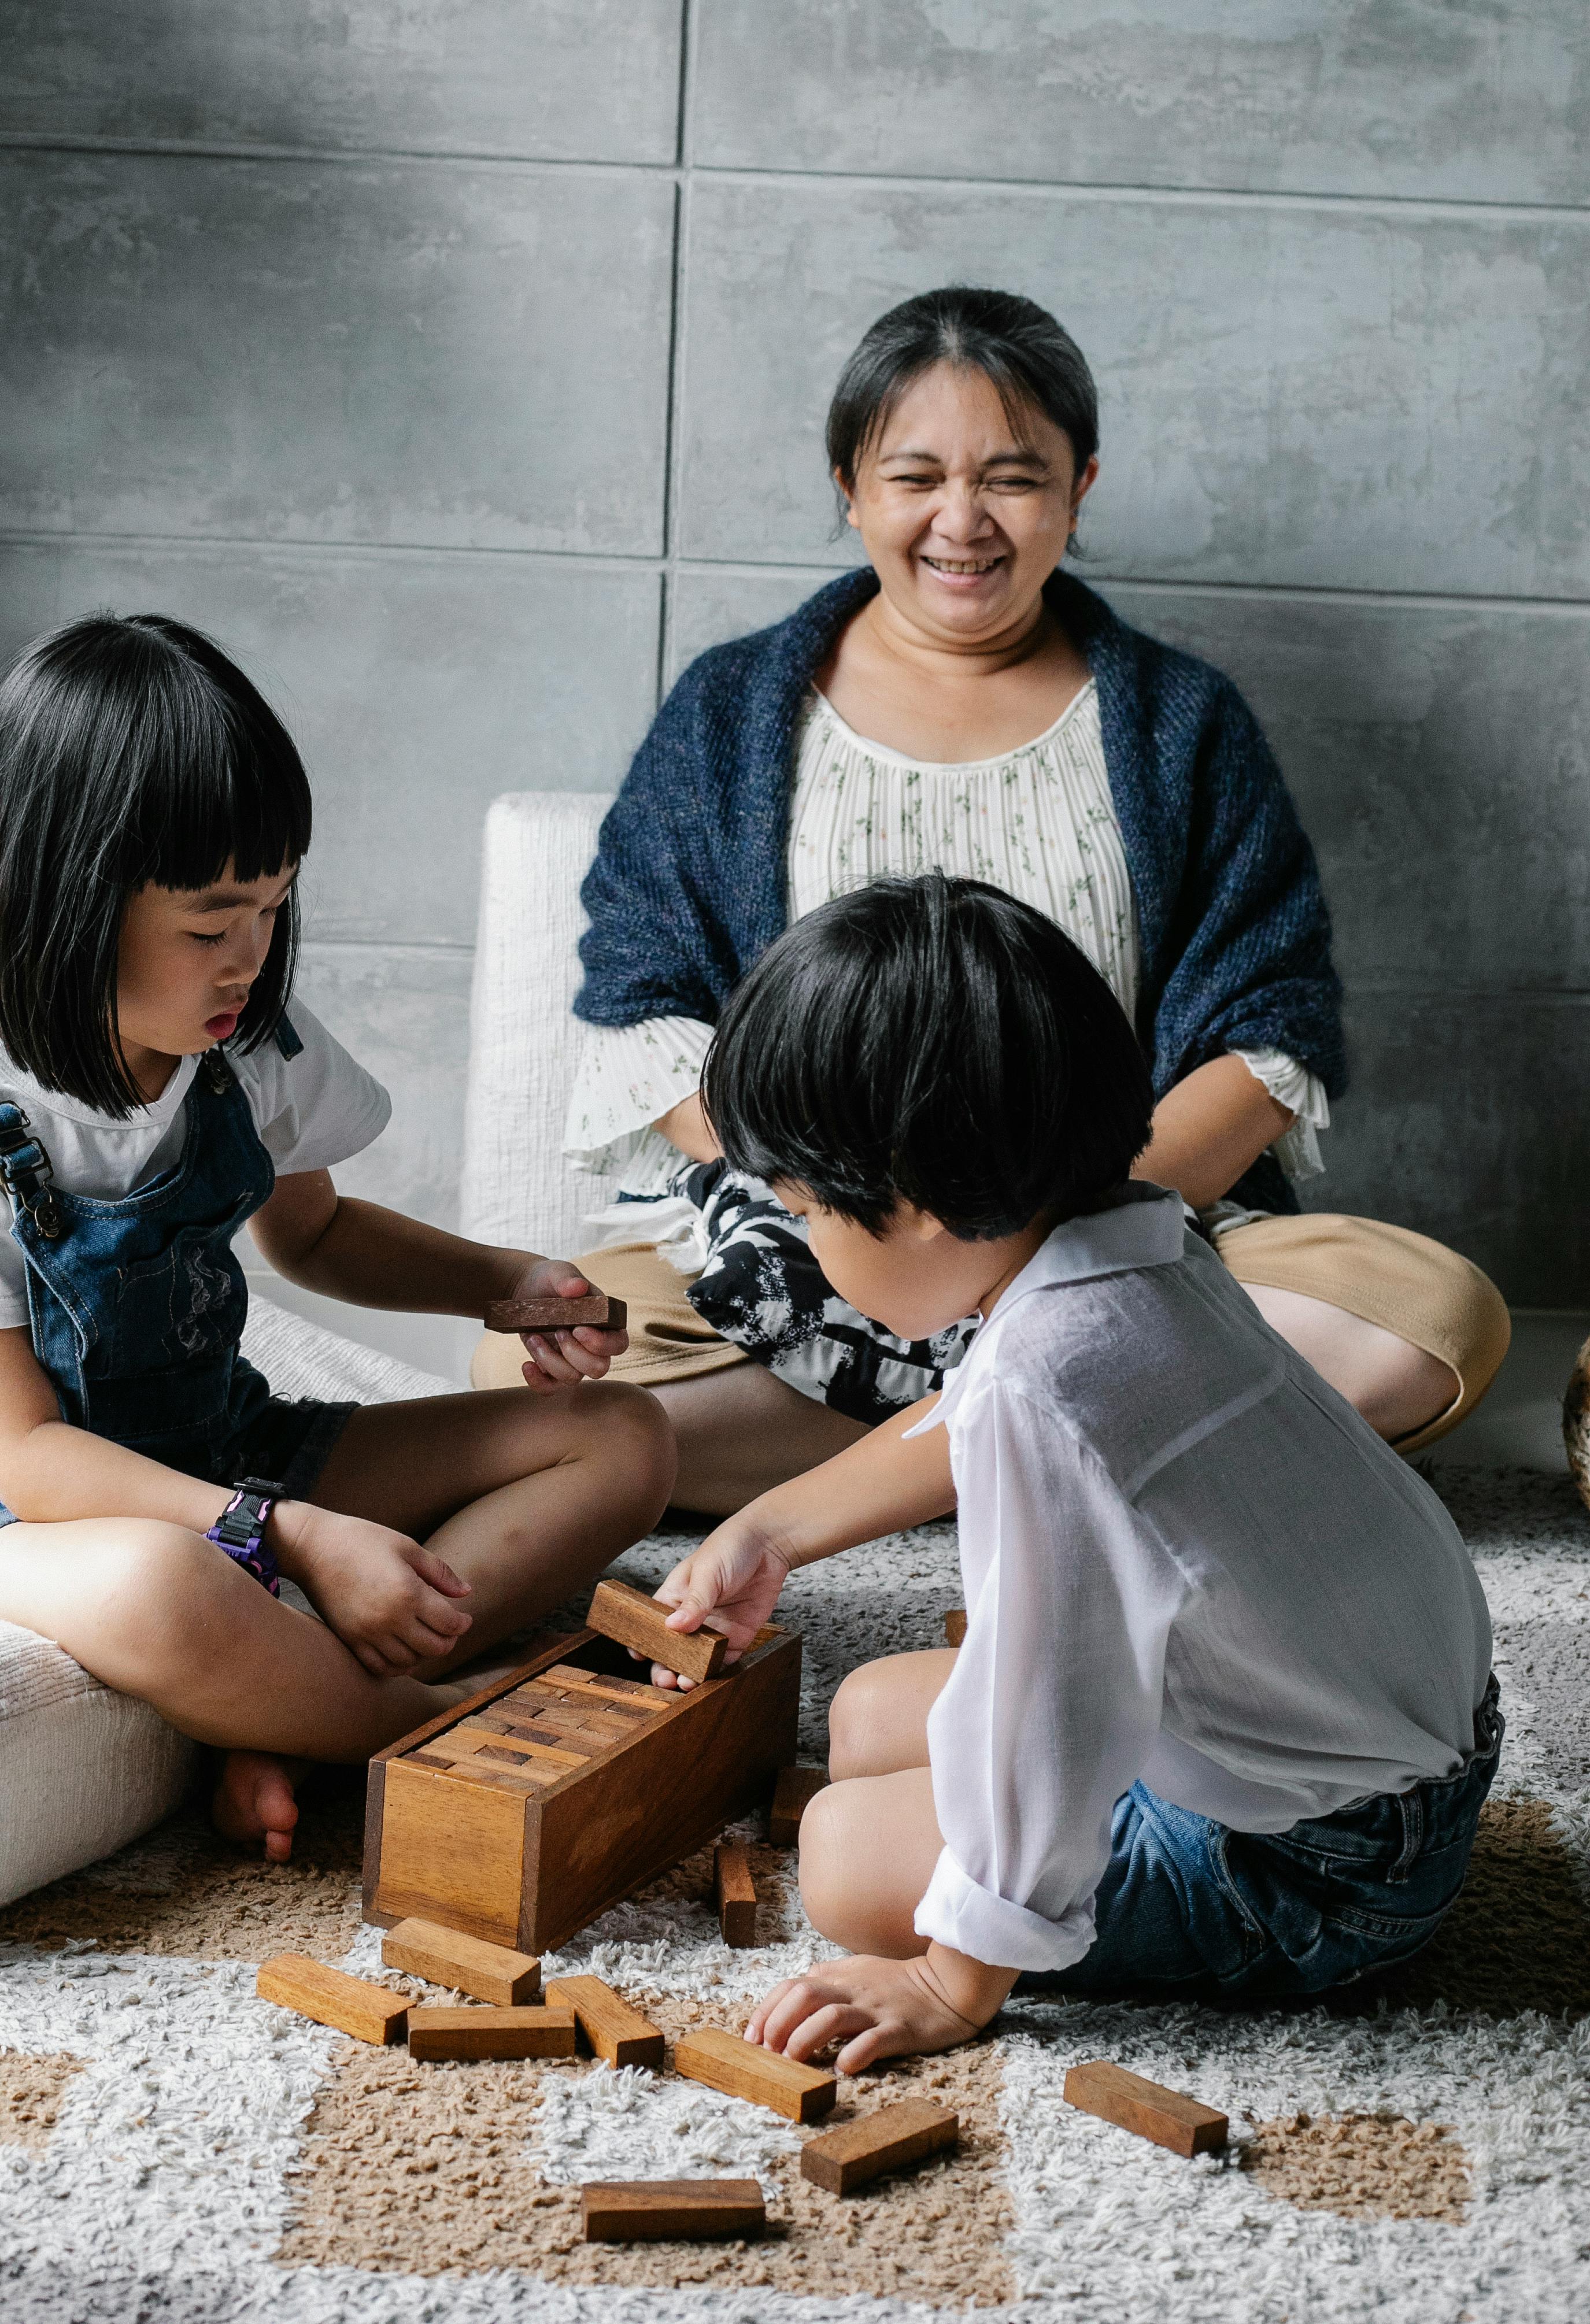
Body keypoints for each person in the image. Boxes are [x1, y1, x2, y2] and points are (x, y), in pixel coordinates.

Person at [474, 286, 1510, 1512]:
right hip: (800, 1239)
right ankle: (1045, 1435)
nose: (960, 522)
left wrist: (1052, 1235)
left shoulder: (1182, 723)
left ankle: (918, 1438)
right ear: (849, 487)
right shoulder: (732, 709)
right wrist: (844, 1218)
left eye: (1013, 479)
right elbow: (645, 1010)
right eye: (914, 476)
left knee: (1434, 1323)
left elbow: (1266, 1026)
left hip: (1111, 1239)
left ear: (1079, 489)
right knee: (520, 1371)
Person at [645, 874, 1500, 2068]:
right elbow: (975, 1412)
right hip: (1396, 1754)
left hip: (1320, 1872)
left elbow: (1041, 1707)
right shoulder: (1134, 1235)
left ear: (922, 1200)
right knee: (866, 1711)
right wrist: (773, 1529)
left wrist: (953, 1980)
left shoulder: (1052, 1382)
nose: (805, 1253)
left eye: (805, 1214)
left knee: (844, 1855)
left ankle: (1056, 1932)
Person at [0, 615, 674, 1864]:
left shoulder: (244, 1041)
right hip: (40, 1517)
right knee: (161, 1586)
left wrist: (504, 1284)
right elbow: (32, 1458)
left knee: (621, 1435)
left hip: (224, 1446)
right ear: (63, 901)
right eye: (210, 925)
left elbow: (313, 1236)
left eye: (273, 905)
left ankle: (280, 1710)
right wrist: (291, 1534)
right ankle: (412, 1723)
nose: (250, 957)